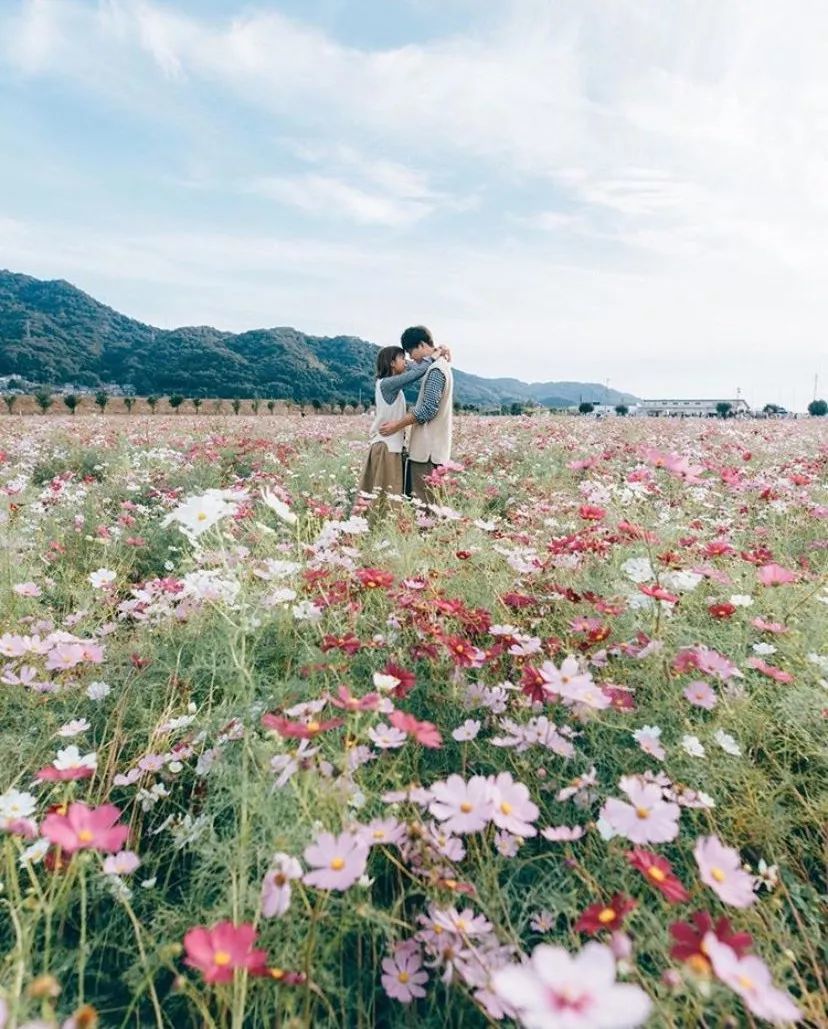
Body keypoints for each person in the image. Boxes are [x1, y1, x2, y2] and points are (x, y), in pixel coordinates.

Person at [356, 343, 446, 510]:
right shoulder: (387, 384)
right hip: (386, 447)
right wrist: (435, 355)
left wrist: (437, 350)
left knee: (387, 495)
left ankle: (379, 531)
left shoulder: (390, 384)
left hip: (391, 446)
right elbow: (418, 372)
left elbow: (415, 367)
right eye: (402, 359)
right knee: (384, 497)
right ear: (391, 363)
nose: (406, 362)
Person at [379, 325, 454, 505]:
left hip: (427, 452)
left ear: (421, 345)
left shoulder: (436, 370)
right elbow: (416, 368)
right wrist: (439, 350)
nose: (410, 358)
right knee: (431, 505)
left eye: (411, 352)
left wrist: (397, 425)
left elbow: (427, 410)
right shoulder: (437, 366)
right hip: (432, 450)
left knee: (425, 507)